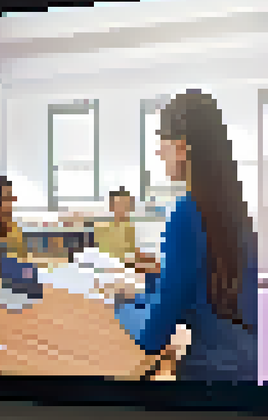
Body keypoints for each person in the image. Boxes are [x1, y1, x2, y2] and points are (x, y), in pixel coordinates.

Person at [115, 90, 256, 383]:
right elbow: (192, 294)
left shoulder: (186, 213)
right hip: (246, 373)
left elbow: (152, 336)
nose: (158, 152)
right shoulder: (234, 211)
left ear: (181, 147)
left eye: (160, 143)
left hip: (207, 383)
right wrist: (142, 296)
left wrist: (121, 308)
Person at [94, 187, 138, 264]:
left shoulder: (133, 228)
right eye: (120, 205)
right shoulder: (102, 228)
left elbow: (134, 253)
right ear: (111, 207)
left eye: (126, 204)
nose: (124, 208)